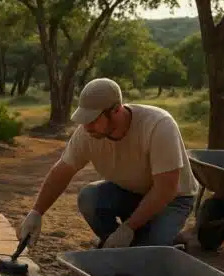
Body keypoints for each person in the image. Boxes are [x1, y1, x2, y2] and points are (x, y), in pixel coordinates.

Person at [18, 77, 198, 250]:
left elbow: (165, 189)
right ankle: (129, 243)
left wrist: (128, 227)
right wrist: (36, 212)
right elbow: (63, 170)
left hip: (172, 200)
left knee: (146, 256)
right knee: (90, 197)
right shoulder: (87, 132)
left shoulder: (158, 125)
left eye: (94, 119)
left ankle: (168, 239)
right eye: (84, 119)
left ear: (116, 110)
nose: (87, 127)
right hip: (129, 193)